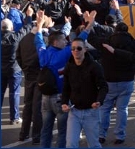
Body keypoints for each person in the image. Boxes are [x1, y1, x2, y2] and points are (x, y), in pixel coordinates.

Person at [80, 14, 135, 145]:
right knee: (122, 109)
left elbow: (91, 37)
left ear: (115, 31)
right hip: (126, 81)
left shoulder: (105, 43)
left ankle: (101, 134)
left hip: (108, 81)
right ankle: (120, 135)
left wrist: (89, 23)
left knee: (105, 109)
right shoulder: (134, 44)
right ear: (127, 31)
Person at [34, 10, 92, 148]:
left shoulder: (43, 52)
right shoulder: (64, 54)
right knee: (62, 131)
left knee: (46, 130)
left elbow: (38, 40)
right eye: (63, 40)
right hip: (60, 97)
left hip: (45, 97)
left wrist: (39, 24)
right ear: (55, 41)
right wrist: (89, 25)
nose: (66, 41)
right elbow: (80, 40)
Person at [61, 38, 108, 148]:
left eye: (79, 48)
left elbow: (103, 86)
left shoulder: (95, 66)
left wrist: (99, 101)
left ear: (85, 50)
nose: (75, 51)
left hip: (91, 112)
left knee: (94, 145)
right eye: (73, 48)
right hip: (74, 111)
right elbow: (66, 87)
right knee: (71, 144)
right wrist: (64, 102)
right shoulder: (69, 66)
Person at [16, 15, 54, 143]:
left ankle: (23, 133)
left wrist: (25, 69)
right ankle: (36, 135)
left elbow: (18, 56)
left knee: (28, 105)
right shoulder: (44, 40)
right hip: (40, 76)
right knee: (37, 107)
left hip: (28, 75)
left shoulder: (24, 38)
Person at [1, 6, 34, 126]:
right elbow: (27, 28)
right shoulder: (15, 38)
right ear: (11, 28)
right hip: (14, 69)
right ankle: (14, 117)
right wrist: (29, 16)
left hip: (1, 69)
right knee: (14, 93)